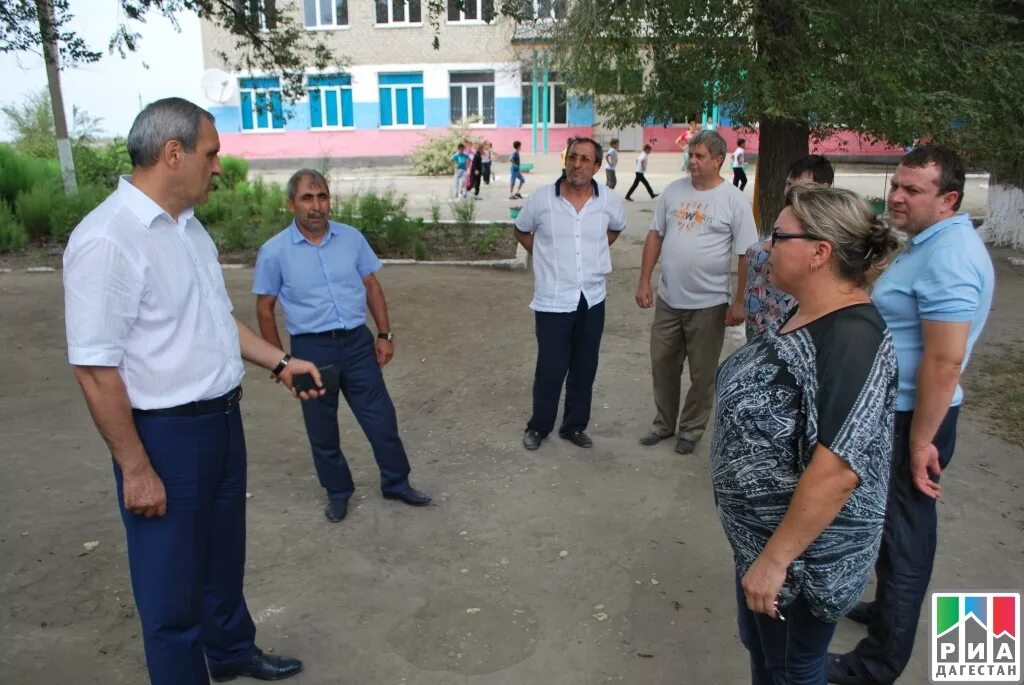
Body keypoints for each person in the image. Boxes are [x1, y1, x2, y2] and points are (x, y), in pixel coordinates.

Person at [63, 97, 321, 684]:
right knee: (170, 590)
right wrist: (135, 468)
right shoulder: (108, 240)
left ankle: (230, 652)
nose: (218, 166)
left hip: (221, 423)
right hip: (165, 437)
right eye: (212, 153)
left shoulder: (186, 227)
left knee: (221, 560)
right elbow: (95, 370)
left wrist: (279, 362)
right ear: (173, 153)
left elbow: (214, 322)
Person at [712, 185, 900, 684]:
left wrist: (775, 561)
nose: (765, 246)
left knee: (793, 668)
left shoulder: (853, 338)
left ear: (820, 252)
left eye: (779, 235)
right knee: (768, 657)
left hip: (800, 565)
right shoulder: (809, 311)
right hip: (765, 541)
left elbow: (837, 471)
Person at [827, 146, 995, 685]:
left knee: (905, 536)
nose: (896, 197)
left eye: (912, 190)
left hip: (913, 420)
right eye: (895, 185)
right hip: (899, 414)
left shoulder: (950, 257)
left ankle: (879, 663)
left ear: (948, 199)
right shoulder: (929, 243)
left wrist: (922, 439)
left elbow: (944, 360)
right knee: (891, 526)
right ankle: (886, 613)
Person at [253, 169, 432, 524]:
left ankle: (396, 482)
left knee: (381, 419)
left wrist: (384, 334)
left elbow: (372, 286)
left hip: (357, 344)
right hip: (309, 352)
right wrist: (281, 362)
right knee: (322, 429)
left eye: (322, 197)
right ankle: (338, 492)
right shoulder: (274, 252)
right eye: (307, 198)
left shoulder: (351, 239)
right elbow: (264, 307)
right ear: (291, 204)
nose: (316, 206)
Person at [635, 129, 757, 454]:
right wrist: (644, 280)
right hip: (668, 299)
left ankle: (690, 429)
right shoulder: (673, 192)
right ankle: (663, 423)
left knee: (702, 373)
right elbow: (655, 235)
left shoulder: (734, 201)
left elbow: (747, 252)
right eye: (691, 155)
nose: (693, 161)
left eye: (700, 156)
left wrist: (740, 300)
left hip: (709, 304)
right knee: (662, 362)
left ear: (718, 160)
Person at [515, 137, 627, 450]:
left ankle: (574, 425)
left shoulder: (608, 201)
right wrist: (544, 255)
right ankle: (539, 426)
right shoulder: (541, 200)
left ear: (596, 165)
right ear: (566, 159)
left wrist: (595, 252)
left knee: (584, 365)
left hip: (592, 298)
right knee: (550, 368)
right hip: (553, 298)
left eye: (585, 159)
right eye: (573, 157)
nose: (577, 164)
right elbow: (522, 230)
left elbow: (617, 228)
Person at [744, 155, 835, 340]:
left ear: (824, 188)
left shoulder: (825, 236)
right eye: (788, 184)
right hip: (757, 327)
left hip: (788, 333)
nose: (790, 192)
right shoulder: (786, 220)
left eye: (799, 185)